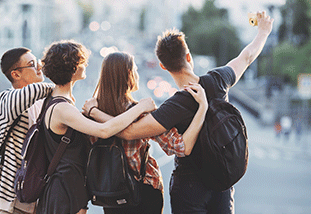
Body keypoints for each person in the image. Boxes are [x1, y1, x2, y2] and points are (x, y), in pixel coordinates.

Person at [87, 11, 274, 213]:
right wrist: (263, 32)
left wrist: (95, 113)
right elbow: (246, 57)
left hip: (189, 185)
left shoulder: (173, 107)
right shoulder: (218, 80)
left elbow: (128, 131)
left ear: (162, 66)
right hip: (222, 181)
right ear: (188, 56)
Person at [35, 40, 158, 214]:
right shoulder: (62, 108)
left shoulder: (58, 102)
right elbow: (105, 130)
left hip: (69, 186)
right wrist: (140, 107)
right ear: (73, 67)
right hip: (65, 189)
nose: (85, 64)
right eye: (81, 61)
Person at [82, 52, 208, 214]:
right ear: (129, 74)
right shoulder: (141, 114)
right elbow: (182, 147)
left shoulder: (90, 113)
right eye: (134, 69)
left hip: (110, 194)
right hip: (143, 192)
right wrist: (203, 108)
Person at [0, 47, 54, 214]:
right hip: (10, 201)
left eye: (38, 62)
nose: (39, 67)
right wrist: (61, 86)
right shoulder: (3, 101)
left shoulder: (43, 103)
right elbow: (34, 90)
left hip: (36, 197)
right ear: (15, 74)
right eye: (32, 64)